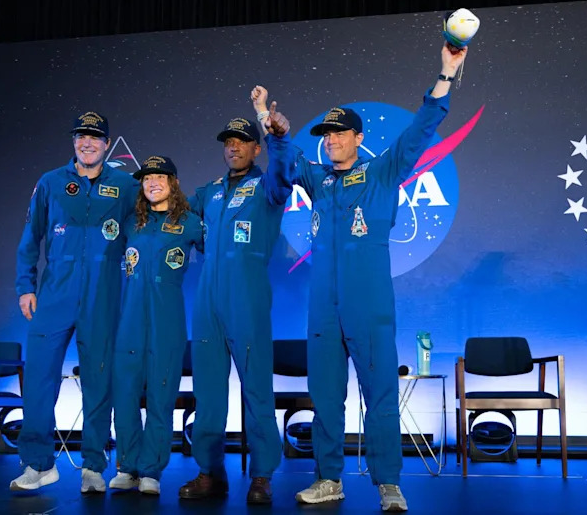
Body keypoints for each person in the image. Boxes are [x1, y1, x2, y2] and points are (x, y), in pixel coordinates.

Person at [290, 44, 469, 511]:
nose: (331, 140)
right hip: (322, 309)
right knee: (325, 399)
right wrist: (270, 127)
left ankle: (388, 483)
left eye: (338, 133)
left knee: (381, 397)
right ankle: (328, 479)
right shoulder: (317, 180)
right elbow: (288, 160)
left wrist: (445, 75)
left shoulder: (382, 172)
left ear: (358, 137)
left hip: (367, 306)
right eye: (325, 135)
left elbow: (420, 130)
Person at [11, 111, 138, 493]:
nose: (87, 143)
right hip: (56, 292)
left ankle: (93, 466)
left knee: (98, 380)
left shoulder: (126, 185)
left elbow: (140, 239)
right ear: (73, 142)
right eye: (81, 136)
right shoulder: (51, 182)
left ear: (107, 144)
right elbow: (30, 239)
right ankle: (38, 464)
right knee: (38, 377)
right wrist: (25, 286)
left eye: (95, 137)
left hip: (104, 291)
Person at [178, 88, 294, 504]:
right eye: (228, 142)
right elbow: (175, 215)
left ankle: (261, 475)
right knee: (208, 390)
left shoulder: (269, 186)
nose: (233, 147)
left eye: (242, 141)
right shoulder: (208, 192)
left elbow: (283, 166)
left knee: (256, 388)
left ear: (255, 148)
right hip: (208, 299)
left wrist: (273, 129)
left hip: (247, 297)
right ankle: (210, 472)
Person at [107, 156, 203, 496]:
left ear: (173, 183)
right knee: (125, 394)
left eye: (160, 177)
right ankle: (127, 466)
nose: (153, 183)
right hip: (131, 319)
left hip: (167, 318)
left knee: (161, 395)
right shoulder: (131, 222)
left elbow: (217, 257)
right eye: (147, 178)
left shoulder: (190, 223)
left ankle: (151, 470)